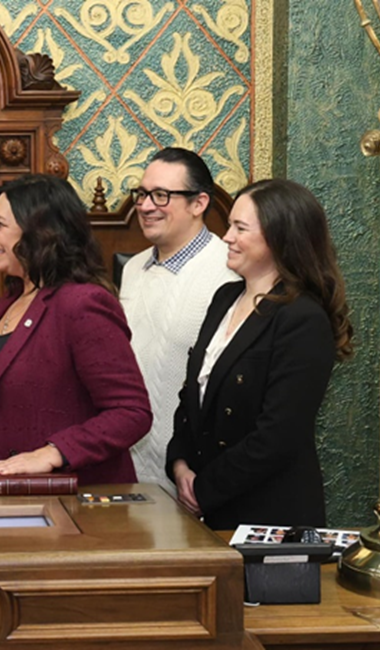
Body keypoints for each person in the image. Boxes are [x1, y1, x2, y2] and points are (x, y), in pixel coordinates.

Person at [0, 174, 152, 486]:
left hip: (67, 508)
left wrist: (53, 453)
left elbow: (131, 412)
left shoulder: (84, 304)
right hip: (5, 497)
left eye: (0, 224)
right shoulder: (15, 297)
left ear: (38, 232)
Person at [166, 179, 353, 529]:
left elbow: (278, 436)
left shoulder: (302, 318)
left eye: (240, 228)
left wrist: (204, 489)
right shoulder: (224, 298)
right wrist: (179, 465)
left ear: (280, 237)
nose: (227, 237)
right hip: (209, 514)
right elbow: (192, 397)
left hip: (269, 520)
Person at [121, 147, 238, 491]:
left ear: (199, 203)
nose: (144, 206)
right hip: (127, 472)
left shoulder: (228, 273)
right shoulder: (132, 269)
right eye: (142, 194)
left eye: (161, 195)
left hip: (193, 476)